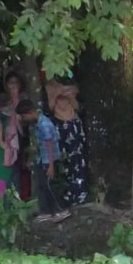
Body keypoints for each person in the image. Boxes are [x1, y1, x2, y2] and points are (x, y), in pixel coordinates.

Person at [16, 99, 71, 223]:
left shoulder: (44, 124)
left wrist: (51, 165)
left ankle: (60, 210)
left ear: (29, 113)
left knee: (50, 186)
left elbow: (49, 144)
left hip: (49, 159)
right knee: (43, 185)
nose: (24, 119)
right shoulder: (38, 123)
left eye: (24, 116)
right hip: (43, 158)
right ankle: (47, 211)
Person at [44, 72, 87, 205]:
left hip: (73, 126)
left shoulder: (72, 86)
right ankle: (65, 196)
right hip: (59, 126)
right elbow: (49, 108)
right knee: (63, 162)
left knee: (78, 161)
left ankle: (80, 195)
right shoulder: (49, 87)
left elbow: (78, 108)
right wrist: (56, 94)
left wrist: (70, 95)